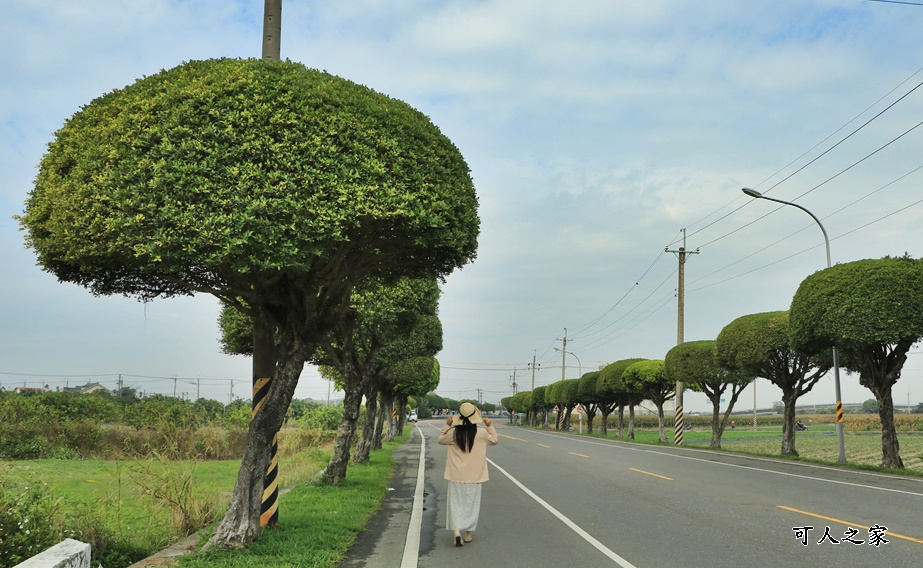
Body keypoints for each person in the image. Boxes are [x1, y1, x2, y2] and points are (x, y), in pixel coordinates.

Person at [438, 402, 499, 547]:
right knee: (471, 505)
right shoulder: (482, 434)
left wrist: (447, 425)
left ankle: (457, 533)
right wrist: (490, 425)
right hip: (475, 476)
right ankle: (468, 535)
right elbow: (495, 440)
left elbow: (440, 440)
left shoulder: (453, 433)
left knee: (455, 504)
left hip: (456, 475)